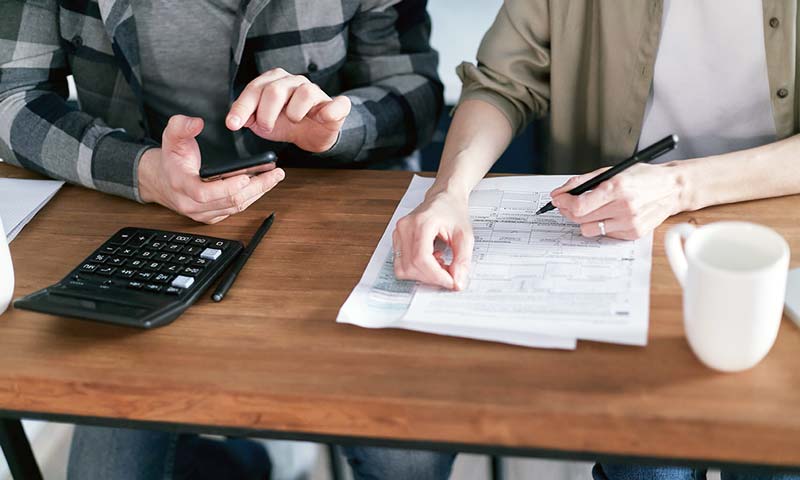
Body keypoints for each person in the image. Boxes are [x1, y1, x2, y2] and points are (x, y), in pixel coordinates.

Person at [1, 0, 452, 478]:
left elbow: (415, 94)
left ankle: (266, 453)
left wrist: (336, 127)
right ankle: (249, 459)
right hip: (146, 218)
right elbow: (11, 97)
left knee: (408, 457)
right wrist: (141, 171)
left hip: (334, 208)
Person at [392, 0, 800, 479]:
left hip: (775, 230)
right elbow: (502, 83)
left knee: (776, 451)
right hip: (616, 234)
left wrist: (678, 186)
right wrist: (449, 191)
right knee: (644, 466)